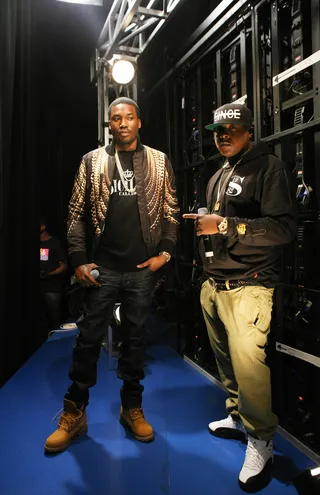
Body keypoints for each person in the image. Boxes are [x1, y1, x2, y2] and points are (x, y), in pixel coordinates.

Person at [45, 97, 179, 453]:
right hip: (101, 270)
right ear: (110, 124)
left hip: (141, 269)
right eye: (116, 118)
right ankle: (74, 412)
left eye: (129, 117)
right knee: (88, 340)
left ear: (139, 122)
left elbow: (171, 213)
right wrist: (77, 260)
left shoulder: (159, 161)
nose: (122, 123)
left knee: (134, 340)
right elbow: (75, 214)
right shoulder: (92, 161)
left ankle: (131, 407)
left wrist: (164, 254)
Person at [183, 103, 296, 492]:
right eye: (217, 129)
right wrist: (207, 223)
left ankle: (261, 439)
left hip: (249, 286)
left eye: (232, 128)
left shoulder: (270, 168)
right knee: (227, 364)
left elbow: (283, 229)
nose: (223, 135)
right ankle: (238, 416)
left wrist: (227, 224)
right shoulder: (216, 175)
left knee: (250, 371)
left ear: (249, 130)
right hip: (214, 284)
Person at [40, 218, 67, 331]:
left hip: (52, 288)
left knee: (54, 319)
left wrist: (49, 274)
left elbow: (64, 266)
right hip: (37, 287)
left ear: (43, 227)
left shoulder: (54, 243)